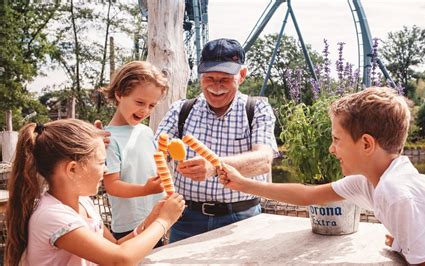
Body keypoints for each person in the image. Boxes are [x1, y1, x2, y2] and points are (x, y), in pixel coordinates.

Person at [219, 87, 425, 265]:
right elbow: (309, 195)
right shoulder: (371, 181)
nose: (331, 149)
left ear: (366, 145)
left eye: (336, 140)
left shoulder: (397, 192)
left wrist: (409, 245)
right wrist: (243, 183)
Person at [4, 119, 185, 265]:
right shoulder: (52, 216)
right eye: (100, 163)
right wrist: (164, 221)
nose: (106, 170)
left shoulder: (83, 201)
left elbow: (114, 247)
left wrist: (150, 221)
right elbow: (120, 259)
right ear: (72, 169)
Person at [156, 38, 278, 242]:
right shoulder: (181, 110)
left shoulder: (256, 109)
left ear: (242, 75)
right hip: (186, 218)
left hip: (241, 219)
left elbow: (263, 161)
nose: (216, 87)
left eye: (224, 79)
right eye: (209, 78)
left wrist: (214, 167)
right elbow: (156, 149)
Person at [100, 61, 169, 246]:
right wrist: (146, 190)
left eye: (151, 105)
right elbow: (112, 185)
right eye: (139, 102)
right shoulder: (108, 139)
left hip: (157, 218)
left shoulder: (146, 132)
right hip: (130, 226)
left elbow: (152, 171)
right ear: (119, 94)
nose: (145, 110)